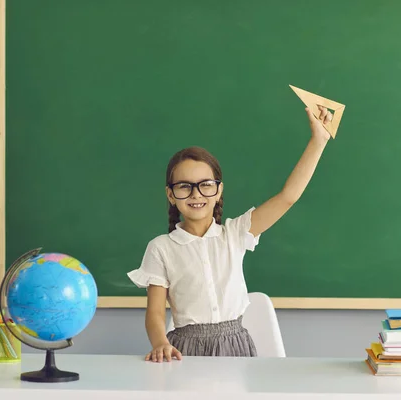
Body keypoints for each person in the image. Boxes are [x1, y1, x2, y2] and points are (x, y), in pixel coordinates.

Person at [127, 105, 334, 362]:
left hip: (235, 346)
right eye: (184, 187)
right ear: (171, 194)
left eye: (205, 185)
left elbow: (288, 197)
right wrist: (160, 343)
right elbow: (155, 314)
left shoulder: (234, 234)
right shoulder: (161, 248)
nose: (196, 194)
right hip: (185, 351)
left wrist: (319, 140)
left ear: (219, 190)